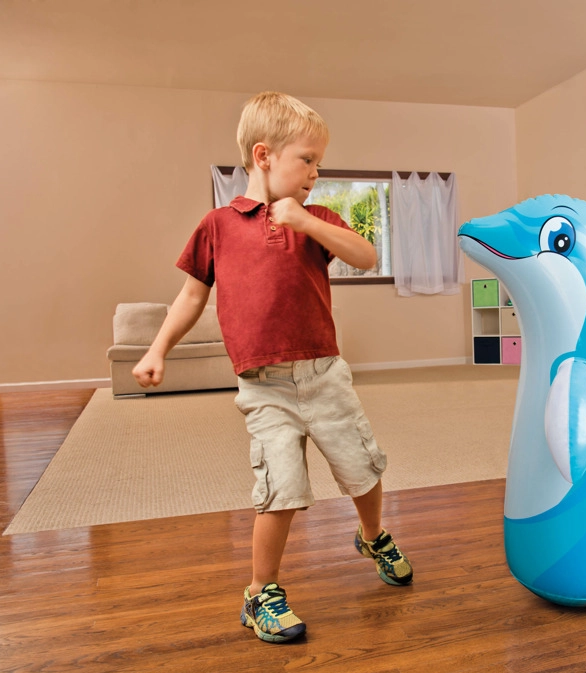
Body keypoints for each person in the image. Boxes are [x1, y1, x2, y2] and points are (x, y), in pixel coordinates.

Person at [132, 91, 412, 644]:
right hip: (264, 387)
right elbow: (191, 297)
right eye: (307, 159)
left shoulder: (316, 218)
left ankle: (372, 535)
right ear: (264, 156)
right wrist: (157, 348)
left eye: (318, 162)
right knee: (279, 488)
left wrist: (307, 223)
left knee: (362, 467)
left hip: (324, 374)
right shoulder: (218, 225)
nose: (315, 172)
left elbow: (366, 257)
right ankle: (261, 592)